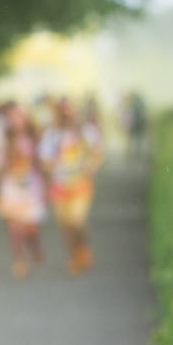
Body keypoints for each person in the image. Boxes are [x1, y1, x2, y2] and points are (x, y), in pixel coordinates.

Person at [40, 96, 103, 275]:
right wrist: (50, 165)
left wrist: (92, 166)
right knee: (65, 224)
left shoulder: (87, 131)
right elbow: (44, 161)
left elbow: (98, 152)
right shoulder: (51, 134)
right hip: (59, 184)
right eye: (63, 111)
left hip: (80, 182)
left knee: (76, 220)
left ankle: (82, 250)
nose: (68, 115)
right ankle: (75, 255)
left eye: (70, 110)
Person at [0, 101, 47, 279]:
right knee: (14, 227)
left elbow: (42, 163)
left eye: (20, 117)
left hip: (31, 185)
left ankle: (35, 246)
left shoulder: (35, 138)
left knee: (31, 227)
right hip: (12, 186)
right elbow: (0, 163)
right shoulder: (6, 139)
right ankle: (20, 261)